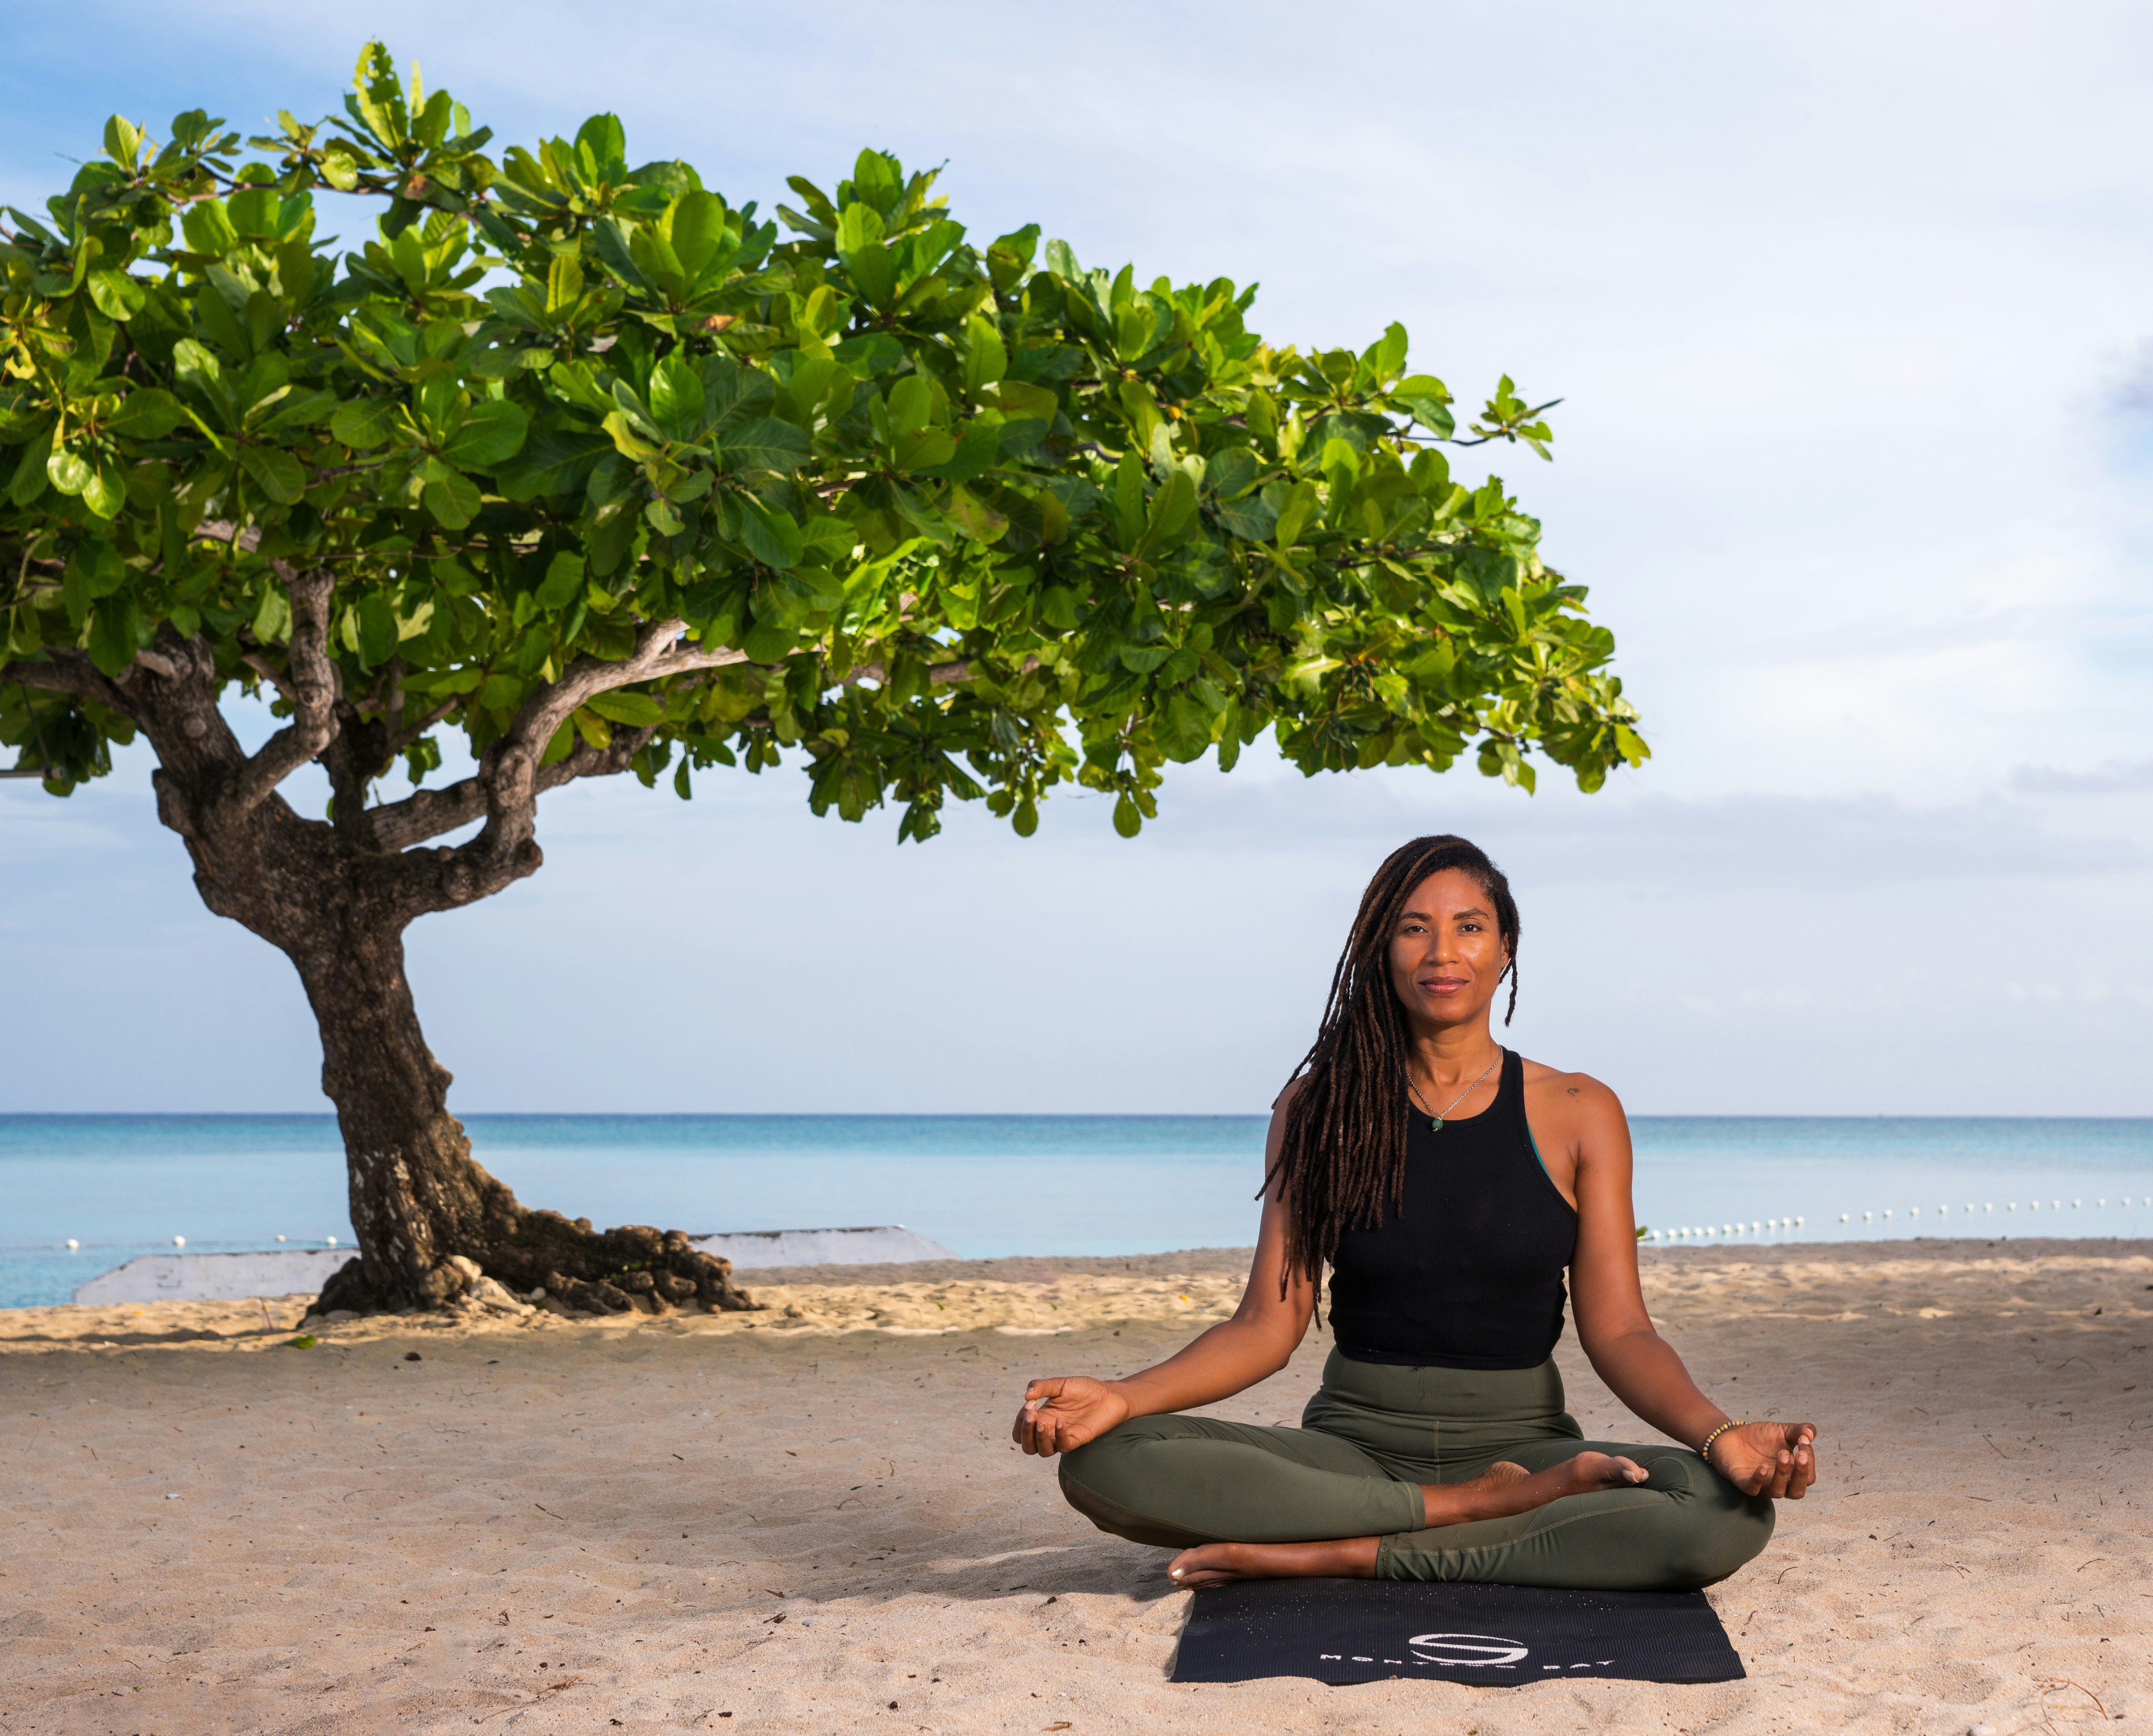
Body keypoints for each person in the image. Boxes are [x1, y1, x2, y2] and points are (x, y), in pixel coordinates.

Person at [1010, 835, 1817, 1590]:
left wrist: (1720, 1435)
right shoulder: (1319, 1107)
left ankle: (1344, 1551)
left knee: (1725, 1511)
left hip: (1526, 1446)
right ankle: (1474, 1512)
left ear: (1506, 949)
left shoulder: (1580, 1109)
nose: (1442, 953)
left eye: (1469, 926)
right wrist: (1123, 1395)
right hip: (1353, 1449)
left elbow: (1623, 1332)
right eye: (1413, 928)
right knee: (1105, 1459)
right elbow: (1264, 1325)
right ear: (1380, 949)